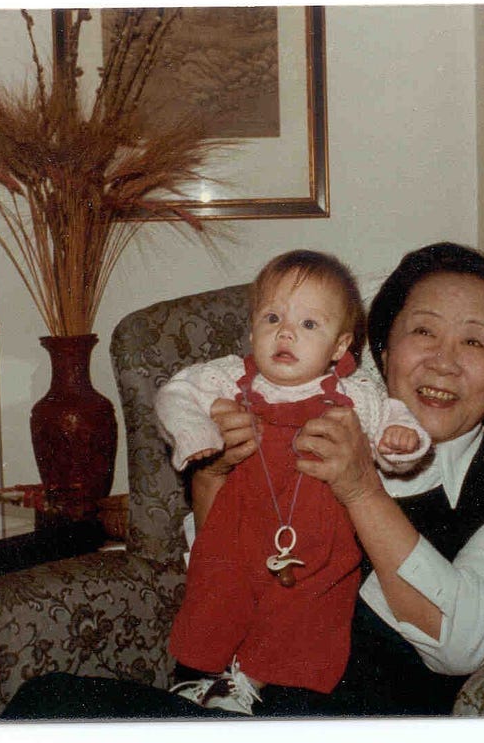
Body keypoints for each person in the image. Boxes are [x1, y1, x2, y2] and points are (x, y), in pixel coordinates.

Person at [1, 242, 484, 719]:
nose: (443, 362)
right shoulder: (301, 418)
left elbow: (466, 644)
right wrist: (214, 471)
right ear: (382, 351)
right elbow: (216, 566)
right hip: (226, 705)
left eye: (474, 342)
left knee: (48, 709)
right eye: (423, 332)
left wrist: (362, 490)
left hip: (348, 719)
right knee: (45, 703)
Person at [154, 250, 431, 714]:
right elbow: (175, 393)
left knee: (306, 609)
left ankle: (247, 684)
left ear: (340, 347)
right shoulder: (232, 377)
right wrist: (194, 433)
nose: (285, 332)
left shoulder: (355, 391)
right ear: (251, 329)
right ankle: (196, 678)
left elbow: (392, 422)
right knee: (215, 592)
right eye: (272, 317)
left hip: (318, 540)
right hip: (238, 526)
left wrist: (403, 441)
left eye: (308, 325)